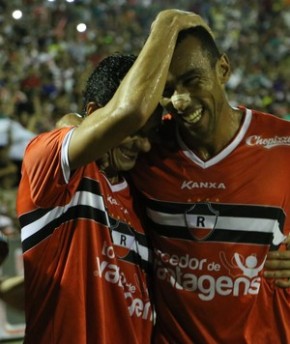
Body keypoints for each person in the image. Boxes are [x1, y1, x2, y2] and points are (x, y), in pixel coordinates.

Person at [16, 10, 211, 344]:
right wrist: (169, 23)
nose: (145, 144)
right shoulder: (53, 168)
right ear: (95, 114)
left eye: (149, 133)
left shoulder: (141, 195)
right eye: (134, 132)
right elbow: (128, 110)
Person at [131, 18, 290, 343]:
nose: (181, 100)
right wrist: (71, 121)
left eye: (192, 80)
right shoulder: (146, 148)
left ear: (223, 69)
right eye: (168, 90)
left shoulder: (283, 144)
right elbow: (82, 133)